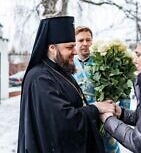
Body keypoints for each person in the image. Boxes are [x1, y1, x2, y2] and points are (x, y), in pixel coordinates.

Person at [18, 16, 116, 153]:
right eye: (70, 47)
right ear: (52, 48)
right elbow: (63, 121)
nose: (75, 51)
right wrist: (96, 108)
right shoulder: (40, 78)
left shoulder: (60, 70)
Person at [73, 26, 120, 153]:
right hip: (80, 121)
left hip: (104, 121)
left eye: (88, 40)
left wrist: (117, 115)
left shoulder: (103, 63)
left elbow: (118, 91)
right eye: (81, 40)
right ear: (74, 43)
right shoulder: (68, 66)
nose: (85, 44)